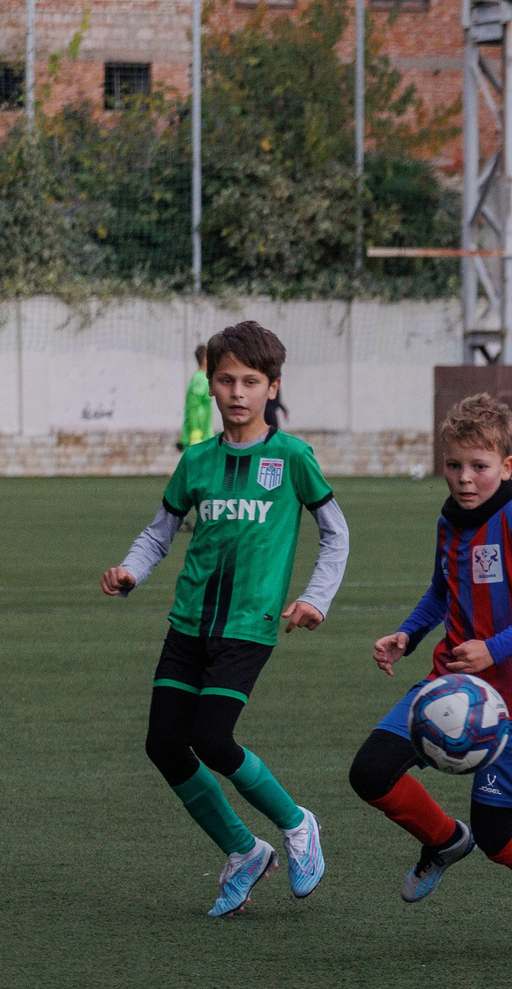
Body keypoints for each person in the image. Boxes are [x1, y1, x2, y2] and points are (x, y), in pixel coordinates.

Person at [99, 321, 346, 917]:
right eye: (227, 379)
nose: (238, 392)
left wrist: (316, 597)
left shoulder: (291, 457)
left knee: (212, 738)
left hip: (247, 624)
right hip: (189, 621)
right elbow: (158, 534)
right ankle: (243, 850)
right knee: (164, 744)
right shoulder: (197, 461)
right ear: (210, 383)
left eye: (251, 381)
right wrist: (131, 570)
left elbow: (335, 532)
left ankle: (296, 823)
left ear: (272, 387)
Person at [347, 394, 512, 957]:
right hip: (446, 686)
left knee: (496, 834)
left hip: (511, 703)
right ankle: (443, 841)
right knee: (370, 772)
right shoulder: (450, 518)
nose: (465, 478)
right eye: (454, 465)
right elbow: (443, 590)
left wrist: (493, 648)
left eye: (479, 466)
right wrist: (408, 634)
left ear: (506, 466)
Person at [178, 342, 214, 449]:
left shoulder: (204, 377)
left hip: (204, 432)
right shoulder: (200, 379)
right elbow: (193, 406)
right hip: (198, 434)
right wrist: (195, 432)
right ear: (205, 360)